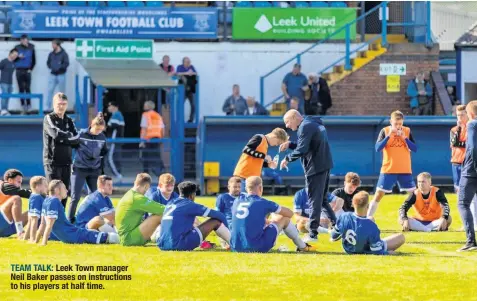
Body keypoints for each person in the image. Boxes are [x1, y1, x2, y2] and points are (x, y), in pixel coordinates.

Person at [280, 110, 333, 243]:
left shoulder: (305, 126)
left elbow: (303, 149)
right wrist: (291, 144)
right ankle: (338, 226)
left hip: (315, 168)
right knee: (322, 200)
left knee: (314, 200)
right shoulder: (312, 122)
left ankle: (313, 234)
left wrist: (287, 158)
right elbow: (307, 145)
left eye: (287, 122)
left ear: (294, 117)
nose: (286, 126)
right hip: (324, 164)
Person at [230, 176, 315, 253]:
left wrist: (267, 220)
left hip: (235, 247)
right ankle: (302, 247)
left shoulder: (237, 200)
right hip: (256, 247)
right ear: (260, 187)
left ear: (246, 188)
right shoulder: (262, 202)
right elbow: (289, 213)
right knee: (284, 219)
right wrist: (274, 218)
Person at [35, 180, 119, 246]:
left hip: (74, 233)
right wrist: (43, 242)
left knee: (95, 231)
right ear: (57, 190)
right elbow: (49, 224)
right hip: (75, 235)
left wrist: (35, 241)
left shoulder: (46, 201)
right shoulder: (54, 201)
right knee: (112, 238)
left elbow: (43, 224)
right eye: (64, 188)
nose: (67, 190)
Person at [367, 111, 417, 219]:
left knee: (415, 195)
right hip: (388, 169)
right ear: (391, 122)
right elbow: (377, 148)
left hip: (405, 169)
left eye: (400, 124)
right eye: (396, 124)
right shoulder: (385, 131)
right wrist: (389, 135)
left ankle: (420, 217)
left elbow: (414, 148)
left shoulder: (407, 131)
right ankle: (368, 217)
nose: (398, 126)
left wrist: (405, 138)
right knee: (379, 194)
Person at [158, 181, 231, 251]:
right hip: (179, 244)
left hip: (162, 244)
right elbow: (219, 215)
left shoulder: (170, 203)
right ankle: (233, 244)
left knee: (191, 222)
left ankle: (206, 243)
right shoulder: (189, 204)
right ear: (192, 195)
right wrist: (227, 228)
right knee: (216, 221)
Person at [331, 191, 405, 255]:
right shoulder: (371, 226)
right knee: (401, 237)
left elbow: (334, 236)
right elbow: (377, 251)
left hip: (348, 250)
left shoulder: (344, 216)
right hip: (366, 250)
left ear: (353, 204)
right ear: (368, 206)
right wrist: (388, 253)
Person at [68, 113, 108, 223]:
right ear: (92, 125)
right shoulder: (81, 134)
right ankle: (70, 219)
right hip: (79, 169)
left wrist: (101, 169)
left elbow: (104, 152)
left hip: (94, 170)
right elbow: (71, 146)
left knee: (94, 196)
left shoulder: (102, 137)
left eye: (101, 130)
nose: (99, 132)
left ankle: (91, 220)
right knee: (75, 197)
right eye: (97, 129)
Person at [43, 92, 78, 208]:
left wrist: (65, 139)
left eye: (64, 104)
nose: (61, 106)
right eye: (59, 104)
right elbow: (55, 134)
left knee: (64, 193)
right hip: (52, 162)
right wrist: (68, 137)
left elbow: (76, 139)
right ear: (54, 104)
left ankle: (61, 219)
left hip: (67, 162)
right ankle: (50, 219)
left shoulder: (69, 121)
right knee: (53, 192)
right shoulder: (49, 118)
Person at [115, 173, 165, 246]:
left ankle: (159, 236)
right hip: (129, 239)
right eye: (147, 189)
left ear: (135, 182)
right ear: (146, 186)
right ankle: (170, 238)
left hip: (126, 237)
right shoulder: (137, 198)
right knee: (159, 215)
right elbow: (162, 209)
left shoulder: (130, 194)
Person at [450, 105, 477, 228]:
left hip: (467, 164)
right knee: (459, 193)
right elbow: (454, 143)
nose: (460, 117)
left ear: (467, 115)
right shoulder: (454, 129)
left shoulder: (472, 128)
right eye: (458, 115)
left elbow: (467, 144)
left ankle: (474, 220)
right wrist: (459, 129)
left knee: (471, 194)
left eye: (462, 115)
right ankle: (466, 222)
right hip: (456, 163)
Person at [456, 100, 477, 251]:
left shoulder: (472, 124)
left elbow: (473, 147)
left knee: (463, 203)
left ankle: (471, 241)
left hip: (471, 171)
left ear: (470, 114)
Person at [0, 169, 31, 238]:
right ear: (10, 180)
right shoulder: (3, 185)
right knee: (16, 199)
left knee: (33, 212)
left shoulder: (10, 190)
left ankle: (42, 233)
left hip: (6, 229)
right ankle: (20, 231)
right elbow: (22, 192)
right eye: (18, 182)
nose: (20, 185)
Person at [140, 100, 165, 177]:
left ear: (148, 106)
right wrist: (161, 139)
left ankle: (146, 174)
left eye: (145, 105)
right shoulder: (158, 115)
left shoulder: (145, 115)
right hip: (157, 138)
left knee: (145, 156)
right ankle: (161, 170)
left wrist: (142, 141)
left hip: (148, 139)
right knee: (156, 155)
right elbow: (162, 129)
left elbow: (144, 128)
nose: (143, 106)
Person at [14, 35, 36, 113]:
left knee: (27, 88)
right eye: (22, 40)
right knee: (21, 88)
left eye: (25, 40)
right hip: (19, 70)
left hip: (27, 70)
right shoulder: (16, 47)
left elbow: (34, 60)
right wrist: (18, 57)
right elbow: (12, 58)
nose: (24, 41)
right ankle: (23, 105)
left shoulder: (31, 48)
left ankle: (29, 104)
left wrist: (30, 69)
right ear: (21, 40)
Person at [46, 39, 69, 111]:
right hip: (53, 74)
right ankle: (48, 107)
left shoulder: (64, 54)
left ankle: (62, 108)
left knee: (61, 92)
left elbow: (66, 63)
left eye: (53, 44)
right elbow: (48, 62)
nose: (52, 46)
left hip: (61, 74)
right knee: (50, 90)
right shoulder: (51, 54)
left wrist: (59, 68)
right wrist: (52, 67)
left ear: (57, 45)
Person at [23, 176, 48, 242]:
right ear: (37, 187)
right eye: (45, 185)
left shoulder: (35, 196)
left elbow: (30, 221)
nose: (47, 188)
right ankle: (31, 238)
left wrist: (25, 238)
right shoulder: (36, 197)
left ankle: (26, 238)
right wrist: (33, 238)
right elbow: (34, 220)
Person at [106, 101, 125, 181]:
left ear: (115, 107)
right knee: (115, 156)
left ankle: (118, 174)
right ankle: (118, 173)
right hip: (116, 139)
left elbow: (112, 127)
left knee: (110, 158)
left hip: (114, 140)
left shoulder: (116, 114)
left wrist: (105, 127)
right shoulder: (117, 115)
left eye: (110, 106)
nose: (108, 108)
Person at [176, 56, 197, 123]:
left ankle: (191, 120)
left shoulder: (191, 67)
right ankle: (180, 119)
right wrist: (187, 73)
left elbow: (195, 73)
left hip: (190, 90)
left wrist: (191, 72)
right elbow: (178, 73)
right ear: (184, 62)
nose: (188, 63)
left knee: (193, 105)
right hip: (183, 90)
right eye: (187, 61)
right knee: (180, 105)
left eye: (189, 61)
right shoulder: (180, 66)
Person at [0, 49, 18, 116]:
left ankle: (6, 110)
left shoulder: (13, 63)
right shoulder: (4, 61)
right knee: (4, 96)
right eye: (14, 54)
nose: (15, 56)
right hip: (4, 82)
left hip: (10, 82)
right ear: (10, 53)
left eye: (16, 55)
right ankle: (3, 109)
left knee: (8, 96)